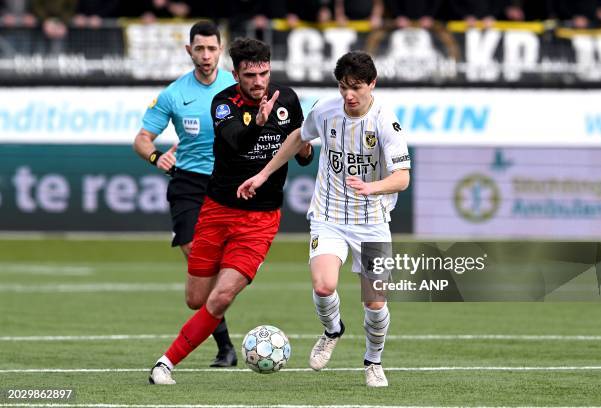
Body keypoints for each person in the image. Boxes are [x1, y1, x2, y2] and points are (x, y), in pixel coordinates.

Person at [237, 51, 411, 387]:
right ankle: (333, 330)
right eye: (344, 86)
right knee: (323, 284)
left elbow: (402, 177)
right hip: (329, 215)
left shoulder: (386, 123)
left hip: (372, 220)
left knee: (374, 303)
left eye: (357, 87)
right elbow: (297, 139)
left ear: (372, 84)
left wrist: (371, 187)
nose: (349, 94)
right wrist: (262, 175)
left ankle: (373, 361)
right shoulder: (325, 110)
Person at [148, 37, 314, 385]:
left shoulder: (287, 100)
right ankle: (207, 325)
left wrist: (304, 151)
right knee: (197, 299)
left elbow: (301, 148)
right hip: (217, 211)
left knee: (221, 296)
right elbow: (237, 141)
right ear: (236, 73)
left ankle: (165, 364)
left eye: (264, 73)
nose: (258, 82)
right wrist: (258, 123)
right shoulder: (223, 103)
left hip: (261, 219)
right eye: (250, 75)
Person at [133, 21, 238, 368]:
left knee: (211, 283)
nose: (206, 55)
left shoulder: (237, 87)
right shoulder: (174, 94)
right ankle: (225, 346)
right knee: (198, 258)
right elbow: (142, 139)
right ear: (188, 50)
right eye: (200, 49)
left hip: (226, 183)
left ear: (220, 50)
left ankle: (225, 348)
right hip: (188, 184)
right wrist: (155, 155)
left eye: (212, 49)